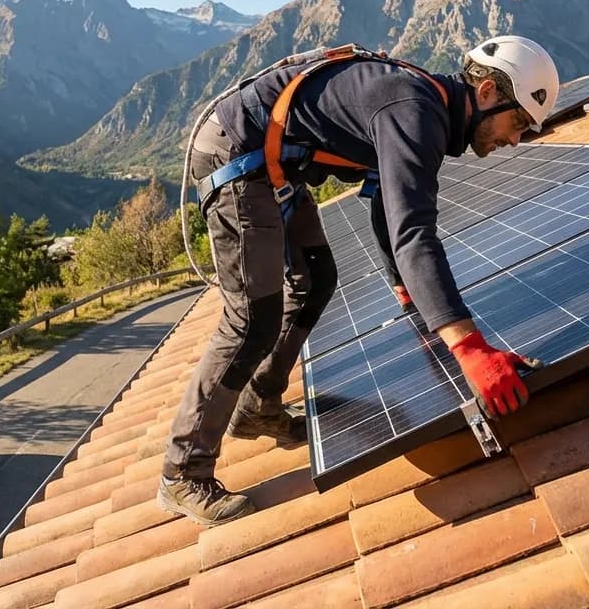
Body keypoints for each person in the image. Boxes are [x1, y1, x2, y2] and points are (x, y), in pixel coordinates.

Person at [158, 36, 561, 525]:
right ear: (488, 93)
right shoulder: (415, 111)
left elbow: (384, 205)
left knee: (315, 279)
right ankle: (183, 472)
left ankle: (257, 404)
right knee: (252, 318)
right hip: (238, 154)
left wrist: (406, 287)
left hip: (273, 160)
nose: (515, 140)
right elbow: (412, 232)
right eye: (518, 122)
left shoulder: (425, 106)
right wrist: (471, 349)